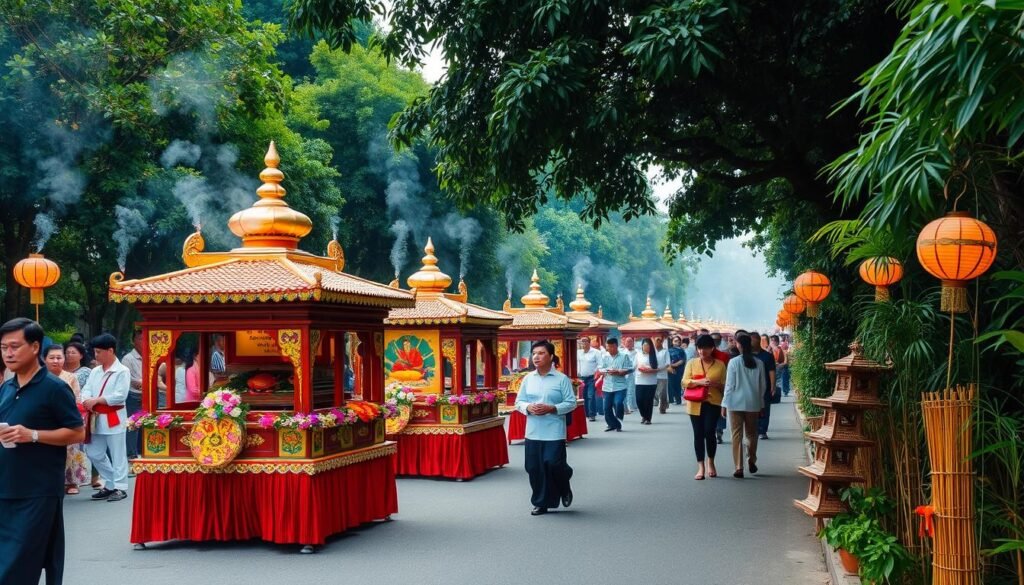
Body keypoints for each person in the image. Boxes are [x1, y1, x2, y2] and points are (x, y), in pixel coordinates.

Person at [0, 318, 86, 585]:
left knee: (16, 568)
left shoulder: (54, 388)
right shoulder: (7, 387)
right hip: (6, 488)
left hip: (37, 492)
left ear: (35, 346)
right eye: (3, 347)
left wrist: (33, 435)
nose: (8, 353)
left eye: (15, 346)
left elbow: (77, 432)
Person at [514, 341, 576, 516]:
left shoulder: (561, 379)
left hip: (554, 430)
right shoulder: (528, 378)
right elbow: (519, 401)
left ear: (551, 357)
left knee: (554, 464)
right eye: (534, 353)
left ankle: (564, 485)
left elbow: (571, 403)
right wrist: (528, 408)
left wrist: (552, 408)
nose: (536, 357)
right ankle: (541, 502)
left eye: (541, 353)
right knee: (534, 467)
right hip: (533, 430)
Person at [80, 333, 131, 502]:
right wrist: (86, 400)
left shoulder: (122, 371)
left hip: (113, 416)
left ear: (110, 350)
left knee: (117, 453)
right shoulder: (95, 371)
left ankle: (120, 487)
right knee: (93, 452)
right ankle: (110, 482)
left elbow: (120, 396)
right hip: (96, 417)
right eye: (95, 352)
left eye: (99, 352)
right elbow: (86, 389)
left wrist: (97, 400)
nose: (96, 355)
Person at [44, 346, 89, 496]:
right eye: (52, 358)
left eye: (59, 357)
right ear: (45, 360)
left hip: (67, 418)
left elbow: (77, 399)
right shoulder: (40, 377)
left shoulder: (71, 377)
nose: (56, 361)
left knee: (71, 451)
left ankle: (72, 481)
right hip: (46, 420)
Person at [721, 334, 766, 478]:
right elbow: (763, 386)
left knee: (736, 435)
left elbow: (729, 386)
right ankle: (751, 459)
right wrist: (761, 404)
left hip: (734, 403)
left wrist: (724, 404)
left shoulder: (733, 362)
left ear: (739, 345)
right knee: (752, 434)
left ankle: (739, 467)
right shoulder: (759, 363)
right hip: (753, 403)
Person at [682, 334, 726, 480]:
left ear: (712, 348)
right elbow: (684, 382)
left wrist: (716, 385)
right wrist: (700, 382)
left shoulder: (720, 365)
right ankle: (700, 466)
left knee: (709, 432)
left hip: (713, 403)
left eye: (705, 348)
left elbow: (726, 386)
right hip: (695, 404)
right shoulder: (691, 363)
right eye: (700, 348)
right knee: (698, 434)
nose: (702, 351)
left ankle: (711, 462)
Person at [598, 338, 633, 431]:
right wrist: (607, 371)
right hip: (607, 386)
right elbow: (600, 369)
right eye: (608, 347)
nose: (609, 349)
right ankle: (612, 424)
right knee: (606, 408)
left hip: (620, 385)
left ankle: (619, 419)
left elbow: (630, 368)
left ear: (616, 346)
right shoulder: (604, 356)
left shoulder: (624, 356)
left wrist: (619, 371)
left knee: (618, 403)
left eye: (611, 347)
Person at [120, 330, 144, 461]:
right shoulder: (128, 358)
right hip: (134, 397)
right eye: (140, 339)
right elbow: (132, 381)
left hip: (149, 396)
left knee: (146, 424)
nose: (143, 342)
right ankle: (131, 454)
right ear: (134, 341)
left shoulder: (151, 355)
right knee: (133, 425)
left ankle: (143, 451)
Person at [749, 332, 777, 440]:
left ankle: (763, 430)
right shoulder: (747, 356)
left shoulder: (767, 356)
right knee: (752, 409)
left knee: (765, 408)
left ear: (758, 340)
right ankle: (754, 429)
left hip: (764, 386)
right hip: (750, 386)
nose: (751, 342)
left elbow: (772, 371)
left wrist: (773, 386)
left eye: (752, 340)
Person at [633, 338, 659, 425]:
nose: (646, 347)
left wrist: (650, 370)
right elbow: (634, 366)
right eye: (644, 346)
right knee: (639, 400)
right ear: (642, 346)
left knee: (648, 401)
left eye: (648, 346)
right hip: (639, 380)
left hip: (650, 381)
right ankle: (643, 415)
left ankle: (648, 418)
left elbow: (659, 368)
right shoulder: (638, 355)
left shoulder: (654, 355)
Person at [576, 336, 602, 422]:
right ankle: (586, 414)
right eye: (582, 341)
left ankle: (592, 414)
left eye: (585, 341)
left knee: (591, 395)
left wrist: (596, 373)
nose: (583, 343)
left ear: (589, 342)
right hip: (581, 377)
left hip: (592, 377)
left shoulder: (596, 352)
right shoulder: (578, 352)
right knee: (584, 396)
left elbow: (600, 365)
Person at [667, 336, 687, 405]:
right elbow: (666, 360)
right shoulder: (669, 350)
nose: (677, 342)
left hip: (679, 369)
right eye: (675, 341)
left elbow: (682, 360)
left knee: (678, 384)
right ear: (672, 342)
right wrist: (670, 367)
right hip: (670, 369)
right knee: (671, 384)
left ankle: (678, 400)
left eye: (678, 341)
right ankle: (671, 400)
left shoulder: (682, 350)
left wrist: (674, 365)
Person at [622, 336, 638, 415]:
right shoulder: (622, 352)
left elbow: (635, 364)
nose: (628, 343)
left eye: (630, 342)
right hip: (623, 373)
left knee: (631, 390)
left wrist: (630, 369)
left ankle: (631, 406)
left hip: (632, 373)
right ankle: (628, 406)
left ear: (633, 343)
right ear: (624, 343)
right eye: (627, 342)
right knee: (625, 390)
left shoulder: (637, 352)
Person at [654, 336, 670, 413]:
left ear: (661, 342)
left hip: (663, 375)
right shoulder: (652, 351)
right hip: (653, 375)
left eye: (658, 341)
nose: (657, 343)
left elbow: (667, 364)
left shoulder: (665, 351)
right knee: (656, 392)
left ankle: (663, 408)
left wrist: (660, 369)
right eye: (655, 341)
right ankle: (659, 403)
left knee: (663, 392)